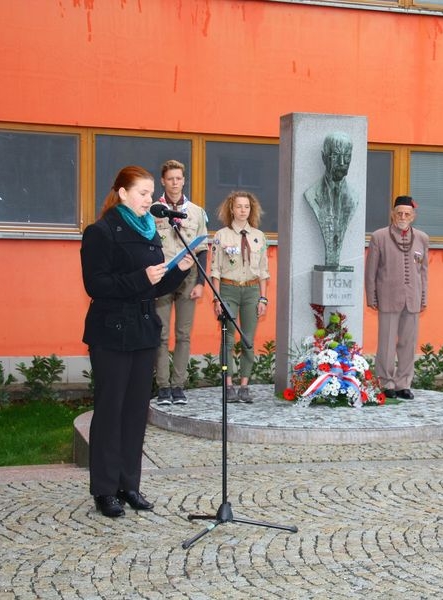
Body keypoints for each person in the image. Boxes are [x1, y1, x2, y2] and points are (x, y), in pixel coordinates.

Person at [80, 165, 194, 518]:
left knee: (134, 414)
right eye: (144, 193)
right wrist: (139, 277)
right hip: (112, 332)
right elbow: (96, 285)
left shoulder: (150, 232)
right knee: (110, 411)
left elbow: (153, 286)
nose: (150, 199)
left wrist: (178, 271)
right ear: (123, 193)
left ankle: (129, 485)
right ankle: (104, 490)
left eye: (149, 193)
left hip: (144, 331)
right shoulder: (100, 232)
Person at [152, 159, 209, 406]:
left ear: (184, 181)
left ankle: (179, 386)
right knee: (162, 334)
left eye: (179, 178)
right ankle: (163, 386)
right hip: (163, 277)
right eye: (170, 179)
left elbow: (204, 247)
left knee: (183, 334)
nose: (175, 183)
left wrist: (201, 283)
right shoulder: (153, 209)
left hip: (188, 279)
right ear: (163, 181)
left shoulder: (195, 211)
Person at [364, 195, 429, 400]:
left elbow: (424, 271)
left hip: (413, 298)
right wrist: (371, 295)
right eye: (399, 213)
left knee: (408, 344)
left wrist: (423, 297)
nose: (403, 216)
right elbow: (371, 270)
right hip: (388, 296)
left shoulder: (422, 238)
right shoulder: (379, 236)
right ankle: (386, 382)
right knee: (386, 342)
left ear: (413, 216)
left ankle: (403, 383)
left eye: (407, 214)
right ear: (393, 214)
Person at [210, 190, 270, 403]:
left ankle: (244, 385)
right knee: (227, 339)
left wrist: (263, 299)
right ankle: (229, 385)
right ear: (231, 209)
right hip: (228, 290)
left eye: (246, 207)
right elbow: (215, 270)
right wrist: (217, 299)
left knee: (248, 340)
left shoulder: (258, 236)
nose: (243, 210)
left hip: (252, 291)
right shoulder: (221, 236)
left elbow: (263, 271)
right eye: (239, 206)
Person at [303, 132, 357, 267]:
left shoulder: (353, 198)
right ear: (324, 158)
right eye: (336, 156)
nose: (342, 162)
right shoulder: (312, 194)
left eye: (347, 156)